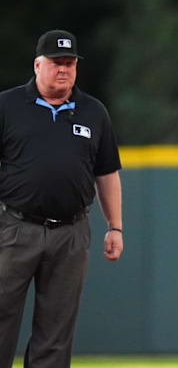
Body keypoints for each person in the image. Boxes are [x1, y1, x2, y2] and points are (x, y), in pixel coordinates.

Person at [0, 29, 124, 368]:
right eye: (56, 63)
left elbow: (107, 172)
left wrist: (115, 227)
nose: (64, 70)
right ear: (38, 65)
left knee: (56, 327)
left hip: (71, 231)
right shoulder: (8, 105)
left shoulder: (92, 111)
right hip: (14, 227)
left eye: (70, 63)